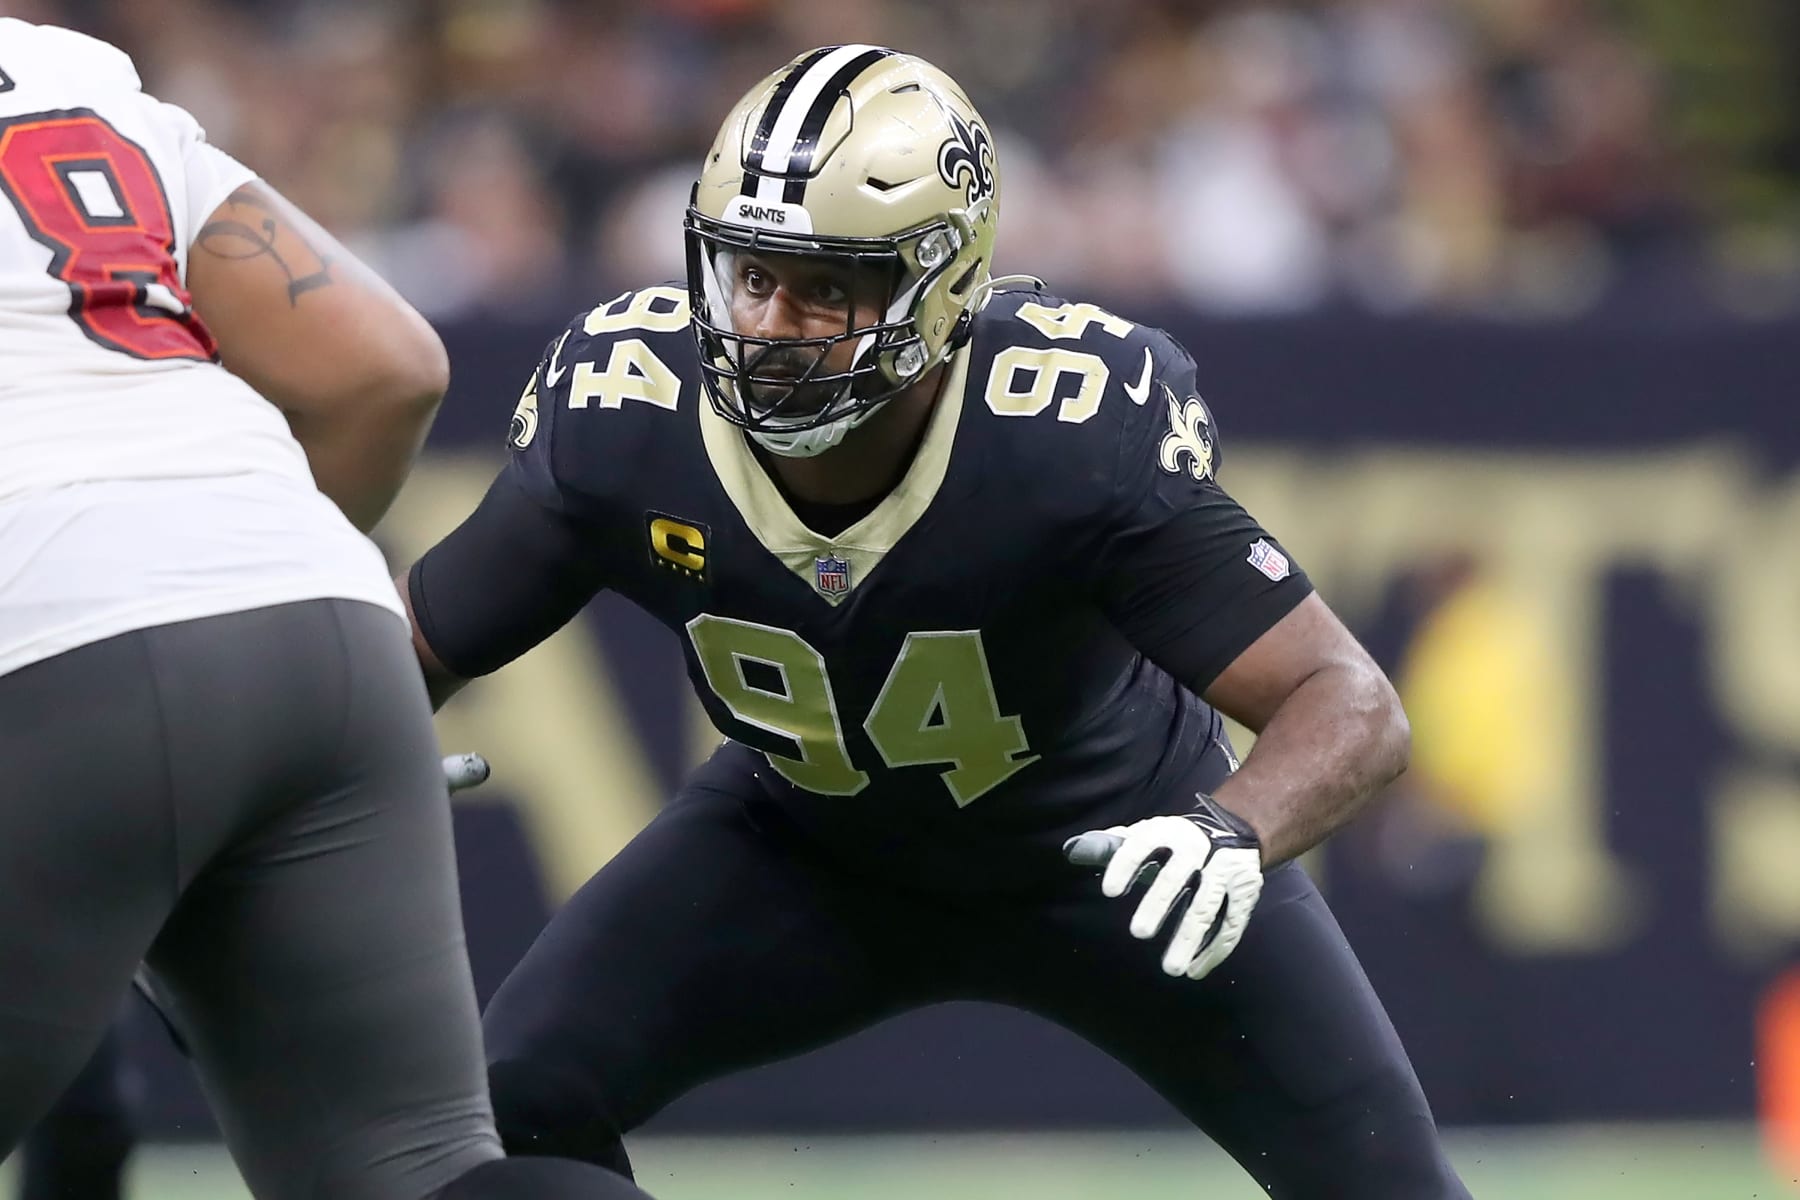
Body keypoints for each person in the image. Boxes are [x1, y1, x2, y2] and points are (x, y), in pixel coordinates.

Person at [403, 44, 1473, 1198]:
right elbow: (397, 663)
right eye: (749, 274)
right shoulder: (625, 417)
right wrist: (299, 805)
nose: (768, 322)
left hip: (1109, 851)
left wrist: (1233, 830)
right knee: (508, 1104)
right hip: (802, 843)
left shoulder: (1062, 429)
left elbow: (1351, 702)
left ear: (942, 285)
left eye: (825, 288)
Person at [0, 19, 658, 1200]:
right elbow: (381, 366)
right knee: (422, 1175)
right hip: (313, 607)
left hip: (44, 633)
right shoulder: (61, 71)